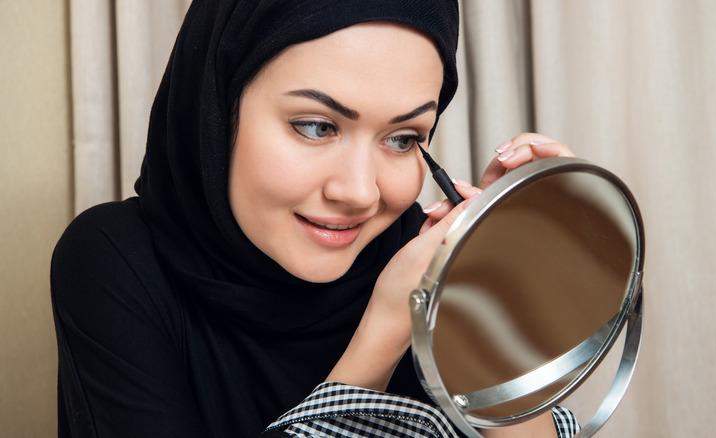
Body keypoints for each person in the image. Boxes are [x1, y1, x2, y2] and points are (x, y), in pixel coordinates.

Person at [50, 1, 577, 437]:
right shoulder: (114, 261)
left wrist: (488, 307)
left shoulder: (423, 256)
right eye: (315, 127)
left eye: (403, 139)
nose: (359, 192)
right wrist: (385, 332)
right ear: (217, 109)